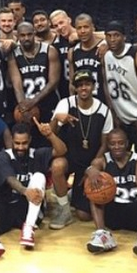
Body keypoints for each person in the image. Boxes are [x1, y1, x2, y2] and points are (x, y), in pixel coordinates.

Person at [0, 121, 67, 256]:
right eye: (17, 143)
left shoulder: (37, 154)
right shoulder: (3, 156)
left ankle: (28, 229)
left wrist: (50, 135)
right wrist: (25, 191)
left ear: (30, 140)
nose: (20, 147)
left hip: (29, 208)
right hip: (7, 205)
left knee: (39, 176)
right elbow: (9, 179)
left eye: (24, 143)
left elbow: (62, 150)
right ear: (11, 140)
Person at [101, 21, 137, 220]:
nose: (112, 39)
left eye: (116, 35)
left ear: (124, 37)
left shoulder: (136, 55)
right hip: (122, 120)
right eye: (109, 36)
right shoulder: (106, 55)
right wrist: (114, 112)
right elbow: (106, 85)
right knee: (122, 162)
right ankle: (126, 202)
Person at [48, 71, 113, 229]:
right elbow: (51, 133)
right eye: (80, 85)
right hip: (69, 158)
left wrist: (93, 167)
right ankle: (64, 210)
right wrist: (57, 119)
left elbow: (105, 144)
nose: (84, 88)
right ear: (75, 88)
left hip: (89, 161)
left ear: (93, 86)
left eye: (87, 84)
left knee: (84, 215)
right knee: (57, 166)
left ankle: (71, 193)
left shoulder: (104, 110)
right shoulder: (65, 104)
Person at [84, 128, 137, 256]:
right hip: (113, 210)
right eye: (113, 143)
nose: (117, 147)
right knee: (95, 193)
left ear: (127, 143)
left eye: (121, 143)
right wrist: (90, 170)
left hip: (135, 210)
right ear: (108, 145)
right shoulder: (102, 160)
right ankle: (102, 235)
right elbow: (93, 166)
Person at [8, 21, 61, 147]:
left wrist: (34, 101)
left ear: (34, 33)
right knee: (28, 144)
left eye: (29, 34)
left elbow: (53, 81)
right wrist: (23, 108)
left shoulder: (49, 50)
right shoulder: (13, 55)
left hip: (47, 102)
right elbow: (17, 84)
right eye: (22, 35)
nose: (26, 38)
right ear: (17, 36)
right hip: (26, 105)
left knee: (48, 142)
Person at [68, 13, 107, 101]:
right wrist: (72, 102)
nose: (82, 31)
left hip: (101, 99)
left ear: (93, 28)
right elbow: (71, 82)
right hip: (82, 101)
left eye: (86, 27)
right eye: (79, 28)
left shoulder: (103, 48)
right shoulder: (72, 52)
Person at [50, 8, 77, 98]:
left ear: (69, 20)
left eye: (61, 23)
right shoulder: (55, 45)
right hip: (65, 90)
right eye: (56, 26)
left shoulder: (84, 36)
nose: (59, 27)